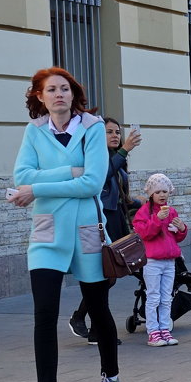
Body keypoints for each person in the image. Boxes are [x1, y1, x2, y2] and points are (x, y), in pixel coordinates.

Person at [8, 67, 122, 382]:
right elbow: (21, 177)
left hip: (87, 229)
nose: (58, 94)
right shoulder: (34, 131)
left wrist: (39, 188)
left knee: (98, 307)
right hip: (47, 231)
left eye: (64, 89)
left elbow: (91, 182)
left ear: (74, 95)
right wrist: (69, 172)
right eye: (50, 90)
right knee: (44, 314)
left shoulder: (92, 128)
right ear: (39, 97)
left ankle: (111, 376)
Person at [69, 116, 141, 345]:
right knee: (101, 274)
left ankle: (84, 319)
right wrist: (124, 151)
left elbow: (120, 193)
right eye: (109, 132)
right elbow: (101, 178)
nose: (115, 136)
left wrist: (140, 202)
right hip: (97, 219)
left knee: (110, 274)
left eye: (117, 132)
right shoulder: (94, 158)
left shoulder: (116, 159)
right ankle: (94, 329)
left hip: (114, 217)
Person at [132, 173, 188, 347]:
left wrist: (182, 229)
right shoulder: (143, 212)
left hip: (169, 260)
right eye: (158, 192)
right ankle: (153, 332)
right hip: (153, 261)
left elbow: (177, 238)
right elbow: (144, 234)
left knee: (166, 297)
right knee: (153, 296)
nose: (162, 195)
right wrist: (157, 220)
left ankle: (165, 329)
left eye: (165, 191)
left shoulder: (171, 211)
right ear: (151, 194)